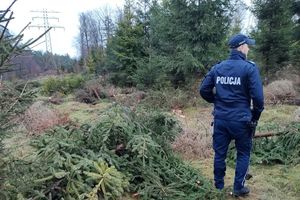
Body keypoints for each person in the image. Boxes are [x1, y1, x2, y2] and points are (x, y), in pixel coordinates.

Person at [199, 33, 264, 197]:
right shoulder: (250, 68)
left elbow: (203, 90)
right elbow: (258, 99)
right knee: (243, 153)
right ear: (241, 47)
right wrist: (255, 117)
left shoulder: (218, 68)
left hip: (220, 119)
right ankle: (238, 188)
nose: (249, 48)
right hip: (242, 120)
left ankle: (218, 187)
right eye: (247, 45)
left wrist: (217, 101)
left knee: (219, 153)